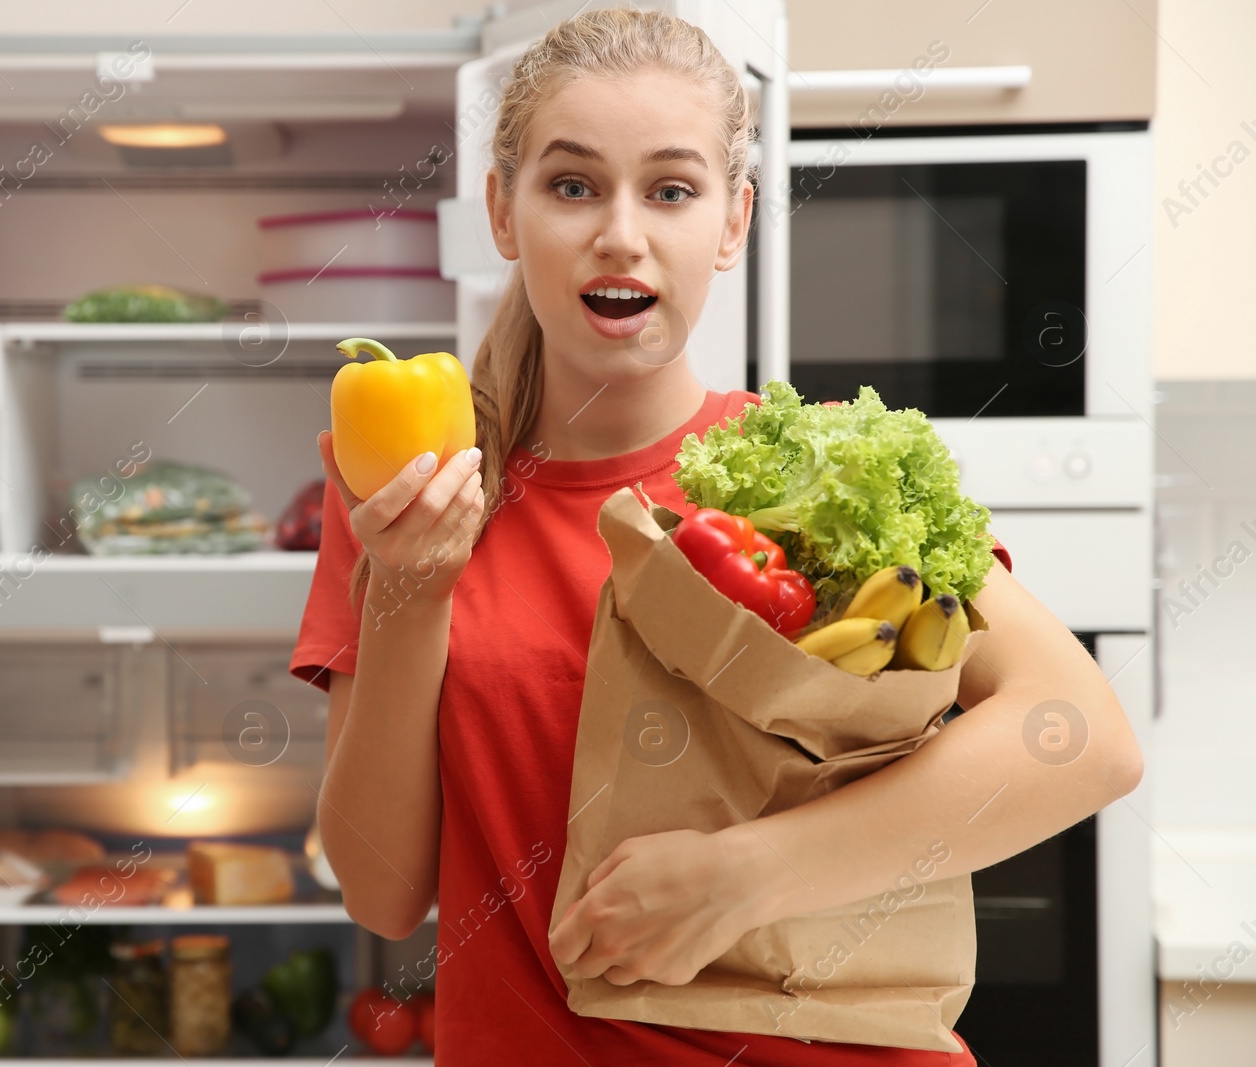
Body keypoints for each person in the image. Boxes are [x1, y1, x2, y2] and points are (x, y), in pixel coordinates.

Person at [289, 8, 1144, 1064]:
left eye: (671, 189)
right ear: (502, 213)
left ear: (731, 224)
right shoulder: (412, 482)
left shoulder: (811, 466)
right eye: (570, 185)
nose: (620, 231)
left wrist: (750, 872)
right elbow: (381, 890)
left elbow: (1083, 736)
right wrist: (410, 590)